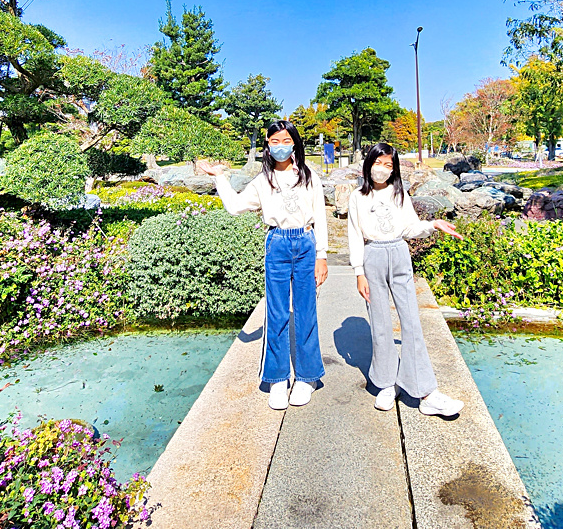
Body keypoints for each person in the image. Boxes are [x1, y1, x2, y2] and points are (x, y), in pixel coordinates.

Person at [196, 120, 329, 410]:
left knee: (306, 311)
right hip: (277, 243)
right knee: (277, 312)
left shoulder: (308, 176)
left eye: (286, 141)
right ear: (267, 145)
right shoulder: (262, 181)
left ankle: (307, 378)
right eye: (275, 142)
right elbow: (234, 207)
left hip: (305, 242)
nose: (281, 147)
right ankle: (278, 380)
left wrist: (322, 255)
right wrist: (219, 177)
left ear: (295, 143)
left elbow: (320, 215)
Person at [348, 142, 466, 416]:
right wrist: (358, 272)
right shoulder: (357, 196)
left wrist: (432, 224)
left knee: (411, 321)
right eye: (378, 163)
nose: (383, 169)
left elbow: (410, 226)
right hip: (372, 255)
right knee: (379, 322)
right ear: (369, 164)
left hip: (399, 253)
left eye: (389, 165)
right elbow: (354, 234)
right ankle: (387, 383)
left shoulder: (399, 193)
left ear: (394, 169)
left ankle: (426, 392)